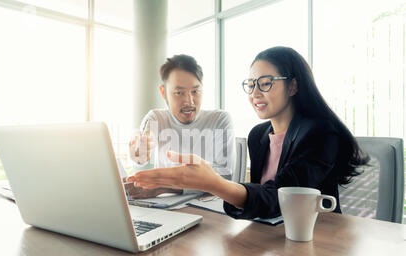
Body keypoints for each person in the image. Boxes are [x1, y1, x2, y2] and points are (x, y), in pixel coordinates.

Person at [127, 46, 369, 219]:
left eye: (265, 83)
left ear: (293, 85)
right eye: (251, 84)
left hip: (318, 242)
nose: (255, 93)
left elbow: (280, 198)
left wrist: (214, 184)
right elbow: (260, 203)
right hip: (271, 239)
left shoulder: (321, 133)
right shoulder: (259, 136)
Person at [127, 54, 235, 199]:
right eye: (179, 93)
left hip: (209, 206)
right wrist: (140, 152)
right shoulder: (156, 118)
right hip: (167, 207)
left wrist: (164, 187)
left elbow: (225, 177)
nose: (189, 102)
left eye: (195, 92)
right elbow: (144, 146)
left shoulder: (220, 119)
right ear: (163, 93)